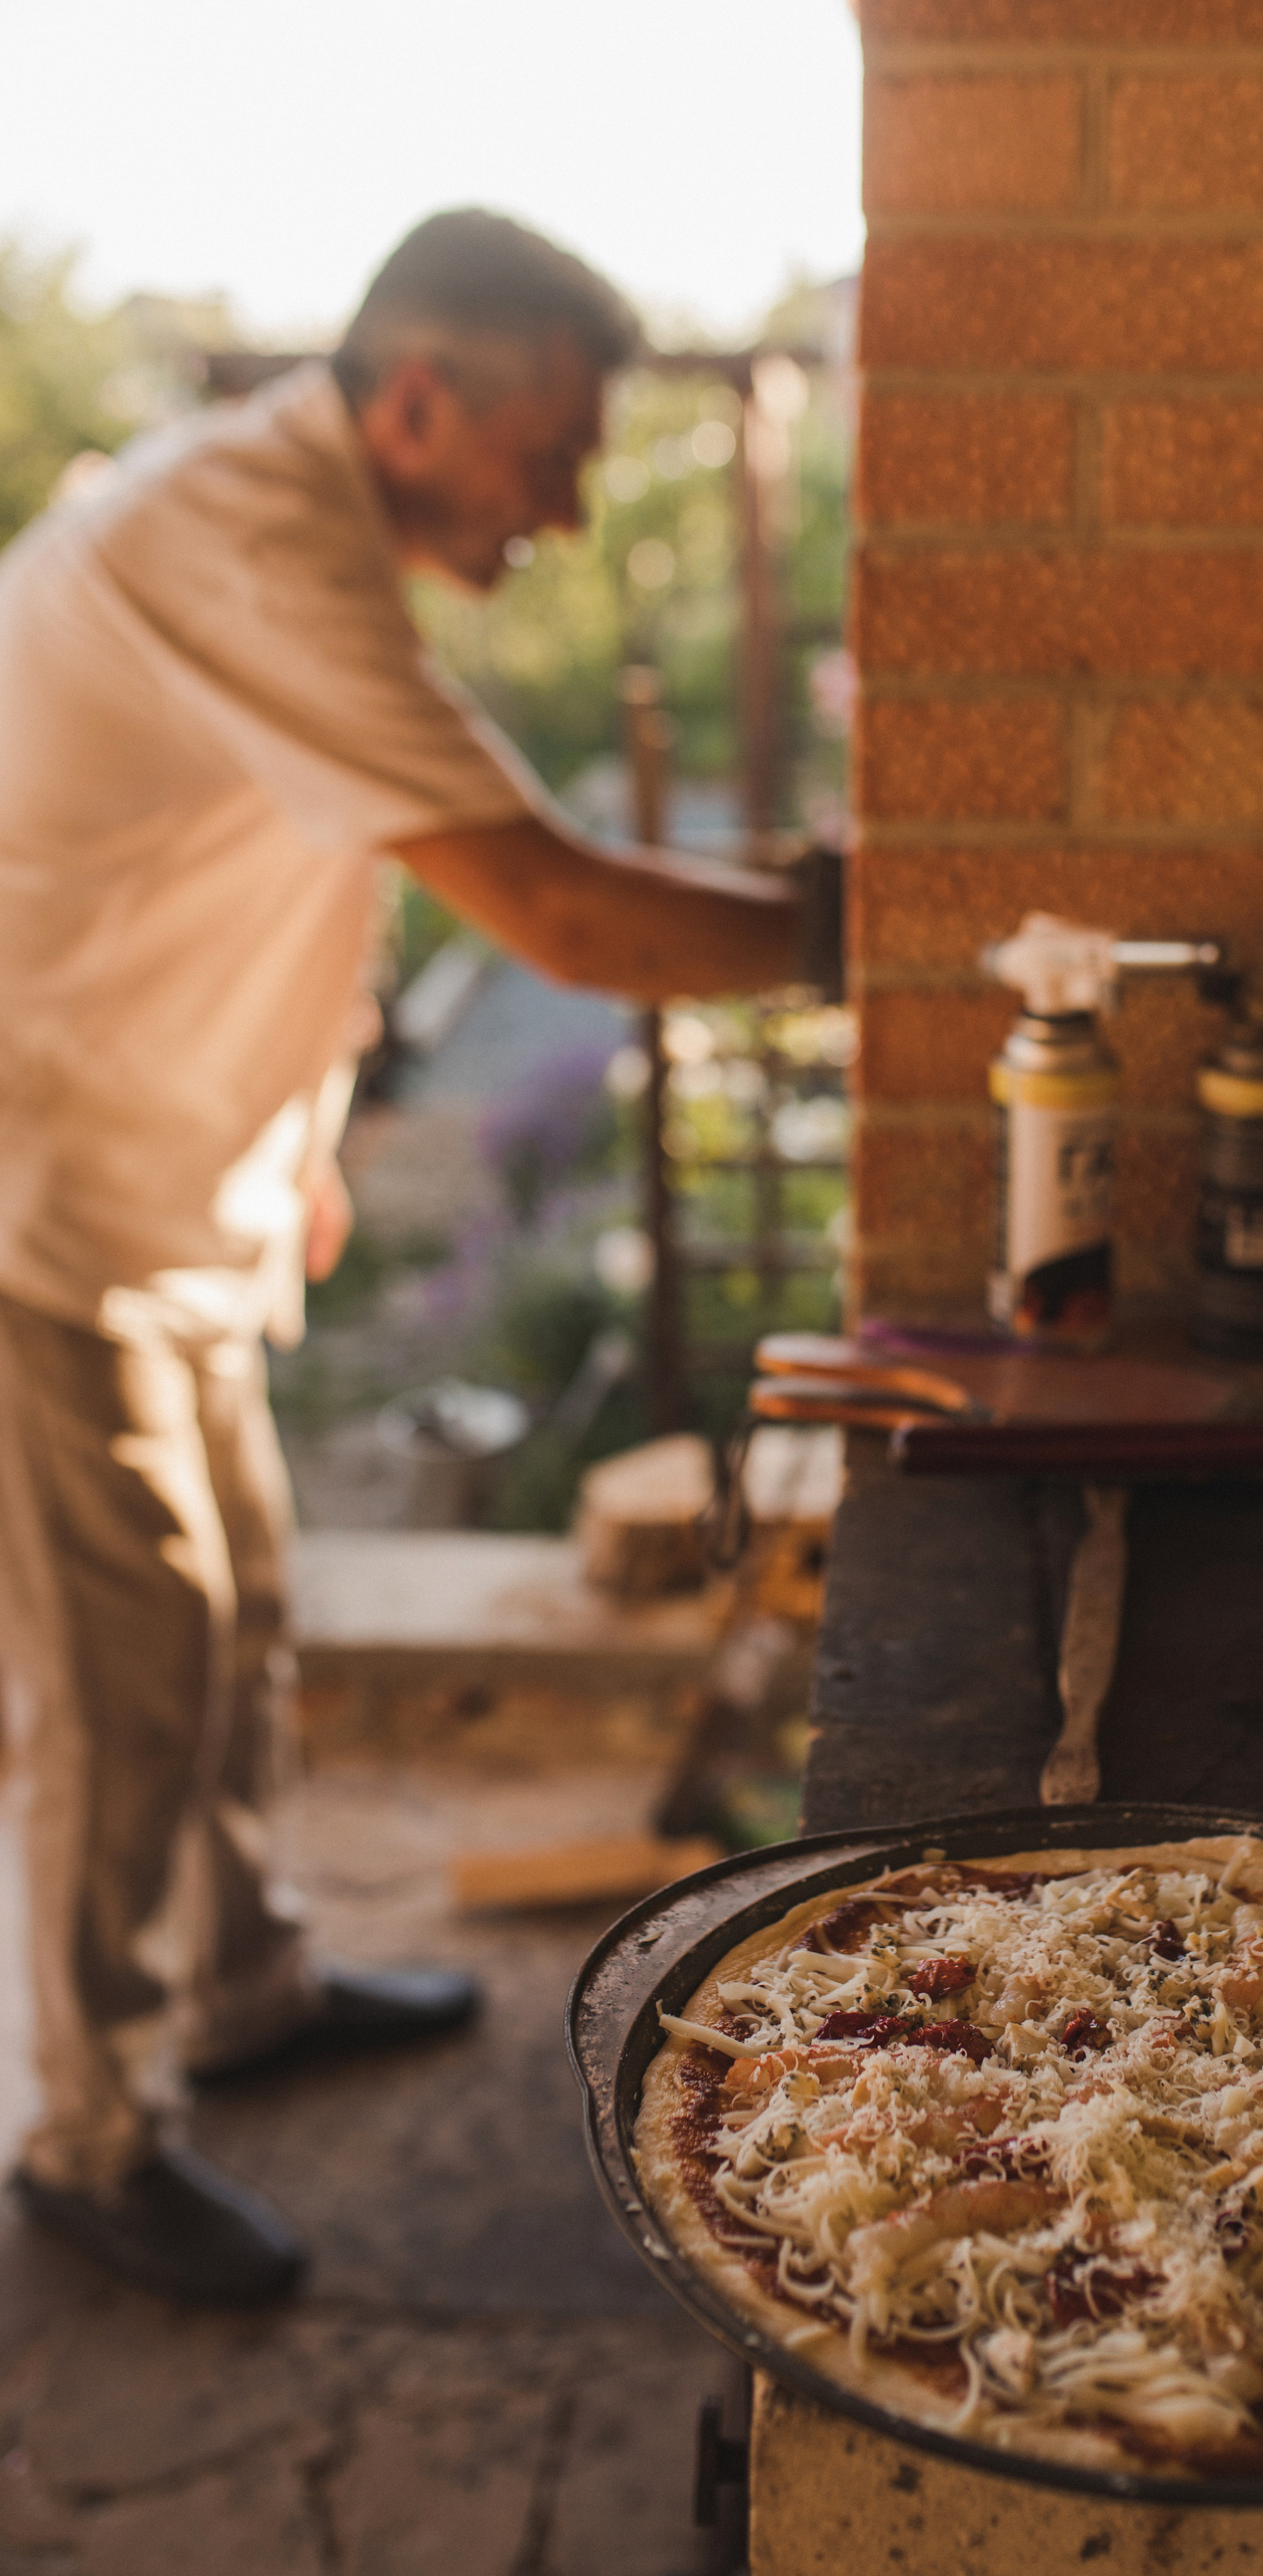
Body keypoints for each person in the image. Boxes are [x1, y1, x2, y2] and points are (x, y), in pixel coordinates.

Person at [0, 209, 826, 2304]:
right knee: (123, 1678)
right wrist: (848, 936)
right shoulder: (252, 536)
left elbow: (297, 856)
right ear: (421, 395)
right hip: (32, 1194)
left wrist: (303, 1134)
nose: (562, 510)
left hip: (167, 1182)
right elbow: (559, 914)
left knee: (240, 1610)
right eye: (548, 456)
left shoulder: (302, 530)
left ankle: (250, 1989)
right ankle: (91, 2139)